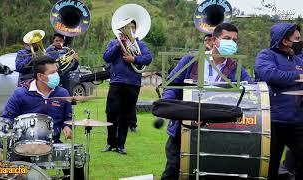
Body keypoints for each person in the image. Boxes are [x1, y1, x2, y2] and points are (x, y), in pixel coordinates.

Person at [161, 23, 252, 180]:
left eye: (234, 40)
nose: (231, 43)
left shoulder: (237, 68)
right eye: (227, 38)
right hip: (184, 128)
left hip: (219, 131)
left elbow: (250, 92)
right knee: (173, 171)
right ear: (214, 40)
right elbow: (171, 86)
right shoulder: (191, 60)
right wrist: (169, 107)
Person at [1, 56, 84, 180]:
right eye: (52, 73)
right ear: (40, 76)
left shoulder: (63, 93)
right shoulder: (20, 93)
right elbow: (7, 118)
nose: (57, 75)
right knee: (10, 171)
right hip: (24, 145)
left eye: (56, 71)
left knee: (76, 160)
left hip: (52, 142)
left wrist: (67, 126)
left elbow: (68, 117)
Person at [255, 23, 303, 180]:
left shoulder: (298, 59)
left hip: (298, 121)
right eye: (297, 38)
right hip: (273, 121)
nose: (300, 41)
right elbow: (270, 75)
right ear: (284, 40)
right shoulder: (266, 55)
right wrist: (298, 77)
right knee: (270, 166)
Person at [102, 20, 153, 154]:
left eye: (132, 28)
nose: (129, 30)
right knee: (111, 113)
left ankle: (121, 145)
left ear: (136, 30)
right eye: (127, 28)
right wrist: (119, 45)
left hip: (133, 84)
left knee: (126, 115)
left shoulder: (140, 44)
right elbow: (106, 57)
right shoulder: (113, 42)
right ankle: (110, 143)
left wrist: (134, 59)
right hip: (116, 82)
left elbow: (148, 58)